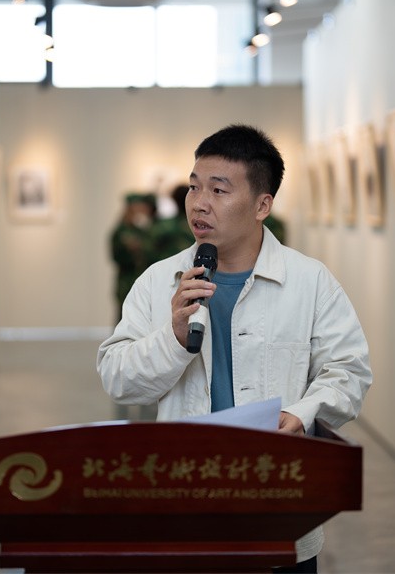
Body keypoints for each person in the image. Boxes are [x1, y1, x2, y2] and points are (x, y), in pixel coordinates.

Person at [97, 124, 372, 572]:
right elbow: (118, 378)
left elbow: (349, 371)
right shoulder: (157, 281)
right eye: (194, 187)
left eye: (219, 190)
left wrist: (303, 415)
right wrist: (173, 338)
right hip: (186, 504)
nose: (199, 203)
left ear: (262, 205)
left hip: (276, 504)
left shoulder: (310, 281)